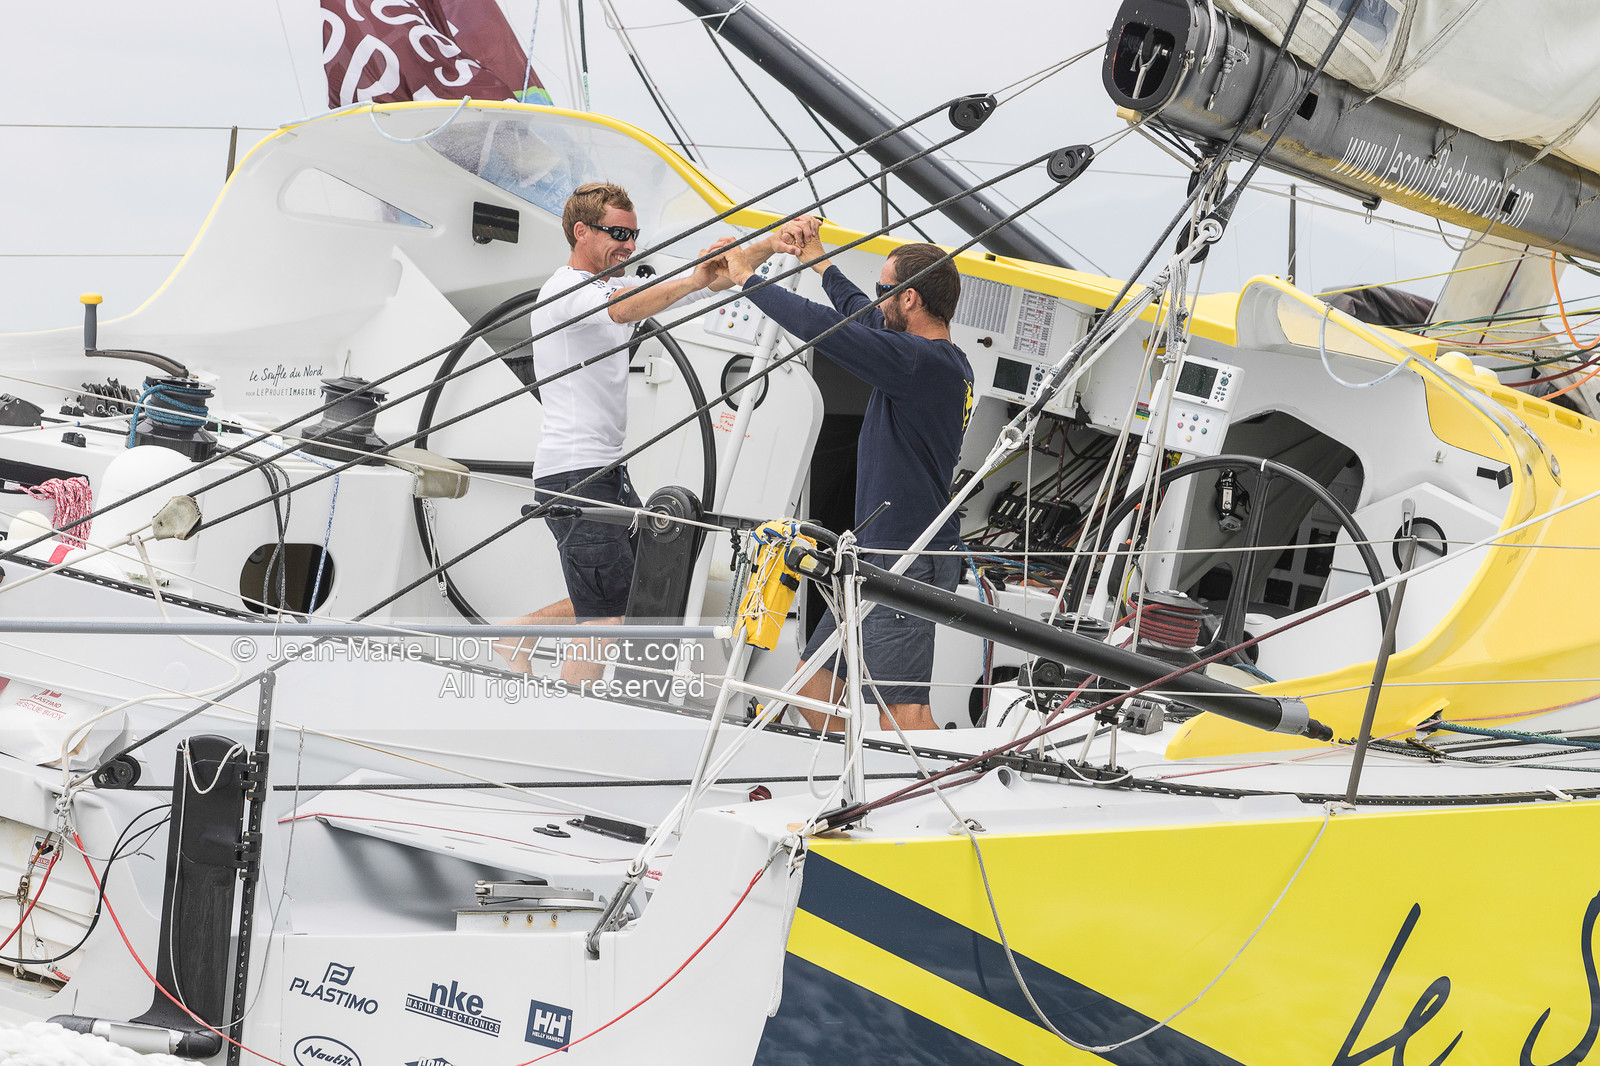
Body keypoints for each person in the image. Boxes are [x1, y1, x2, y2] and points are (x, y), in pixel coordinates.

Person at [710, 220, 973, 730]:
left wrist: (746, 278)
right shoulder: (935, 359)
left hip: (905, 558)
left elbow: (826, 327)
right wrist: (821, 262)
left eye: (883, 289)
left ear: (910, 298)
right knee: (813, 691)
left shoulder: (919, 362)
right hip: (876, 554)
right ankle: (851, 779)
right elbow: (859, 314)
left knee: (904, 715)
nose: (876, 299)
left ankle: (943, 782)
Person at [501, 182, 732, 682]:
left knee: (632, 593)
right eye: (617, 234)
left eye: (633, 234)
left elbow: (658, 296)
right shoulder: (568, 290)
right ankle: (570, 709)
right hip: (575, 475)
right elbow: (626, 307)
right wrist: (695, 280)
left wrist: (771, 247)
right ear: (581, 232)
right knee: (608, 618)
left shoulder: (605, 288)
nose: (629, 245)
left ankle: (520, 632)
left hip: (602, 472)